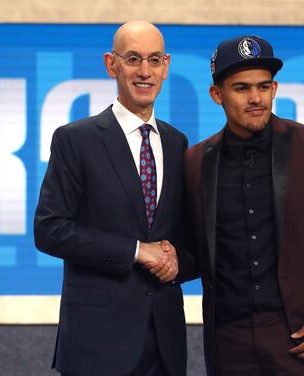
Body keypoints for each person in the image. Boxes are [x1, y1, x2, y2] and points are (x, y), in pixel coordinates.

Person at [181, 35, 304, 375]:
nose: (256, 98)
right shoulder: (194, 162)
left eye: (264, 87)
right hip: (229, 345)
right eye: (241, 88)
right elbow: (195, 251)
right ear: (216, 95)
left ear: (274, 88)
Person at [34, 20, 187, 376]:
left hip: (165, 344)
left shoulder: (178, 144)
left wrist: (180, 256)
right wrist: (136, 250)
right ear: (111, 63)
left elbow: (182, 236)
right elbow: (50, 229)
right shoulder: (76, 139)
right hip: (96, 344)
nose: (144, 71)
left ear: (166, 66)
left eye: (154, 60)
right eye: (133, 59)